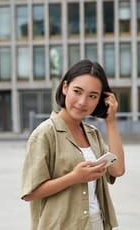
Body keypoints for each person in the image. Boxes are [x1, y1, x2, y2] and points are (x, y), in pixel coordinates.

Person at [21, 59, 126, 230]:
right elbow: (30, 193)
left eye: (92, 96)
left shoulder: (92, 134)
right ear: (65, 88)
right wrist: (74, 177)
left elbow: (118, 169)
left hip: (96, 223)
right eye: (77, 91)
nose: (83, 101)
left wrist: (111, 121)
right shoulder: (45, 133)